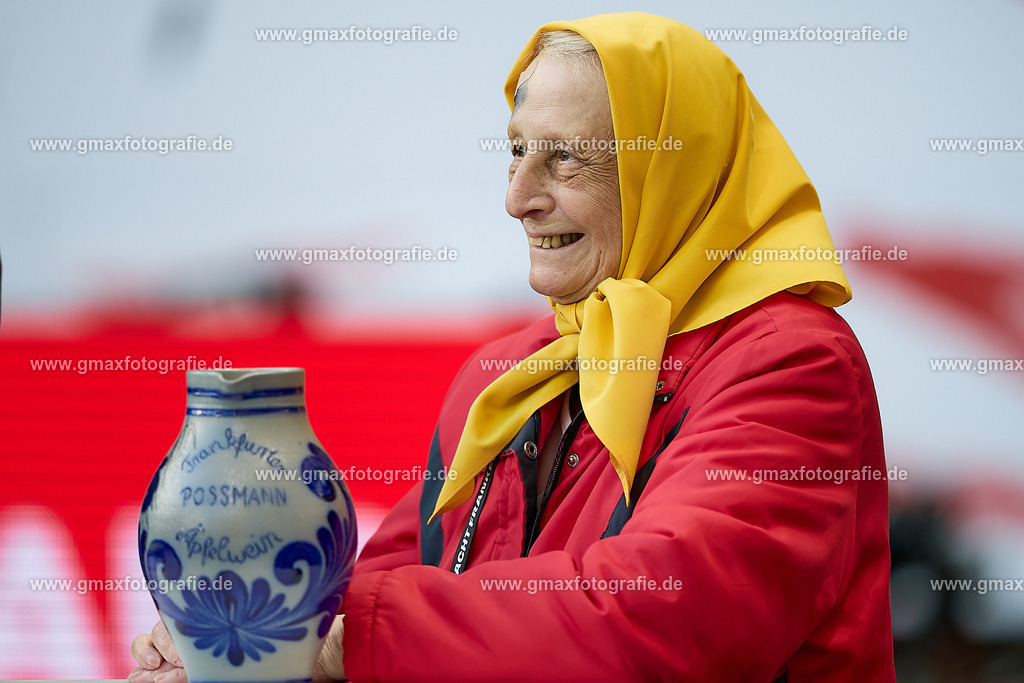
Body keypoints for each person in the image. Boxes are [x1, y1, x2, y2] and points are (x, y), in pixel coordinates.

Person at [130, 12, 895, 682]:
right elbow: (360, 603)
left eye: (566, 157)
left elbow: (658, 623)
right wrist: (237, 647)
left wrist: (339, 639)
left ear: (674, 163)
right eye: (517, 150)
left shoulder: (793, 361)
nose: (517, 197)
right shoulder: (505, 375)